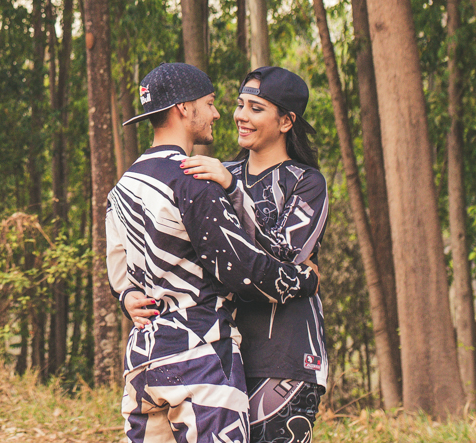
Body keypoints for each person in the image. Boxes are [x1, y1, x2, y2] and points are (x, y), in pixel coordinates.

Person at [107, 62, 320, 443]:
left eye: (255, 107)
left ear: (287, 121)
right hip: (202, 352)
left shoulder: (127, 184)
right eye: (216, 103)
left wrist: (127, 294)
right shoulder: (202, 177)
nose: (227, 114)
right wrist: (305, 279)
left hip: (166, 357)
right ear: (183, 109)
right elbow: (242, 269)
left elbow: (119, 264)